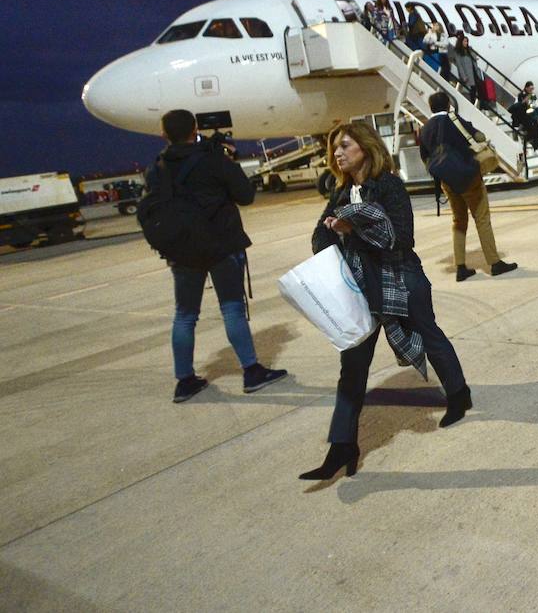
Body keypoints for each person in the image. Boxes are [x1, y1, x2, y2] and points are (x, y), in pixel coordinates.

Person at [300, 121, 474, 481]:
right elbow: (319, 236)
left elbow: (401, 237)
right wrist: (334, 230)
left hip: (400, 276)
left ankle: (458, 394)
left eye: (345, 145)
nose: (337, 153)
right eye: (335, 148)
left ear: (365, 146)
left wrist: (355, 229)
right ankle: (342, 446)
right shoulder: (340, 191)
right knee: (353, 366)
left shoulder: (390, 185)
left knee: (430, 336)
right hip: (360, 286)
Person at [149, 109, 287, 403]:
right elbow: (245, 196)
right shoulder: (213, 158)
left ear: (164, 135)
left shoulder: (159, 167)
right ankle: (251, 372)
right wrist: (230, 161)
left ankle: (184, 380)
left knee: (185, 315)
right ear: (194, 129)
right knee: (232, 309)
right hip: (221, 246)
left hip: (182, 251)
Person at [418, 92, 517, 281]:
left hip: (447, 182)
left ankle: (461, 267)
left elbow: (425, 157)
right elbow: (477, 136)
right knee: (482, 218)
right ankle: (495, 263)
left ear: (431, 107)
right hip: (468, 176)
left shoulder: (425, 129)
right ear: (448, 104)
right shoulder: (454, 120)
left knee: (458, 221)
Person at [510, 81, 538, 150]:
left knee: (536, 132)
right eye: (530, 88)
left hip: (531, 116)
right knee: (532, 131)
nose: (531, 90)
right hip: (524, 116)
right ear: (526, 88)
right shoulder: (521, 95)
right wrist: (524, 101)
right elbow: (517, 106)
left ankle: (535, 147)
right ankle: (524, 138)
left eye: (532, 88)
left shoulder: (533, 96)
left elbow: (537, 106)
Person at [449, 32, 480, 103]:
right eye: (465, 41)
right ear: (461, 42)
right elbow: (459, 65)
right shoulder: (458, 52)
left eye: (467, 41)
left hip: (473, 72)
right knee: (471, 90)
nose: (466, 43)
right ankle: (472, 103)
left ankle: (475, 103)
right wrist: (464, 76)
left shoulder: (469, 50)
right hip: (467, 74)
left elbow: (474, 58)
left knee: (475, 89)